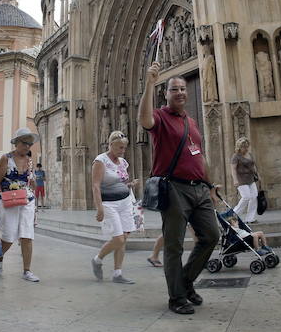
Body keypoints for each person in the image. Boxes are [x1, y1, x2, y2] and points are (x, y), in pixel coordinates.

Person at [138, 62, 220, 315]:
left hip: (199, 190)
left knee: (211, 236)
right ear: (167, 93)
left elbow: (199, 155)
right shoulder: (161, 117)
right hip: (174, 188)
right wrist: (150, 83)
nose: (181, 93)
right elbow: (144, 119)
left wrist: (211, 185)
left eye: (183, 88)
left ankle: (184, 282)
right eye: (175, 89)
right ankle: (177, 297)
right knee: (173, 244)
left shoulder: (192, 123)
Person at [0, 127, 40, 282]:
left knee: (27, 235)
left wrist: (34, 186)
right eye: (25, 143)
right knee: (9, 236)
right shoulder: (6, 159)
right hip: (7, 201)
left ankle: (27, 271)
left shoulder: (30, 161)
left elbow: (32, 182)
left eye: (30, 144)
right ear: (17, 142)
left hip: (27, 201)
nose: (27, 147)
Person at [91, 130, 138, 284]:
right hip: (109, 203)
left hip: (125, 202)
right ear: (110, 145)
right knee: (118, 238)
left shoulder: (123, 162)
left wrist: (130, 184)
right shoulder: (100, 161)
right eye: (119, 148)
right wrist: (99, 208)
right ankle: (97, 259)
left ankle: (117, 273)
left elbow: (121, 182)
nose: (122, 151)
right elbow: (96, 186)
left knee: (124, 238)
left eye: (124, 148)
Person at [231, 137, 260, 224]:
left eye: (247, 146)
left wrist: (258, 175)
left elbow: (253, 165)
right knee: (246, 197)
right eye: (244, 147)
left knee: (254, 196)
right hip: (241, 179)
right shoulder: (235, 156)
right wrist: (235, 180)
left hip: (251, 178)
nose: (246, 148)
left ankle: (250, 218)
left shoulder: (249, 154)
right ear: (239, 147)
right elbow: (233, 169)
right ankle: (233, 215)